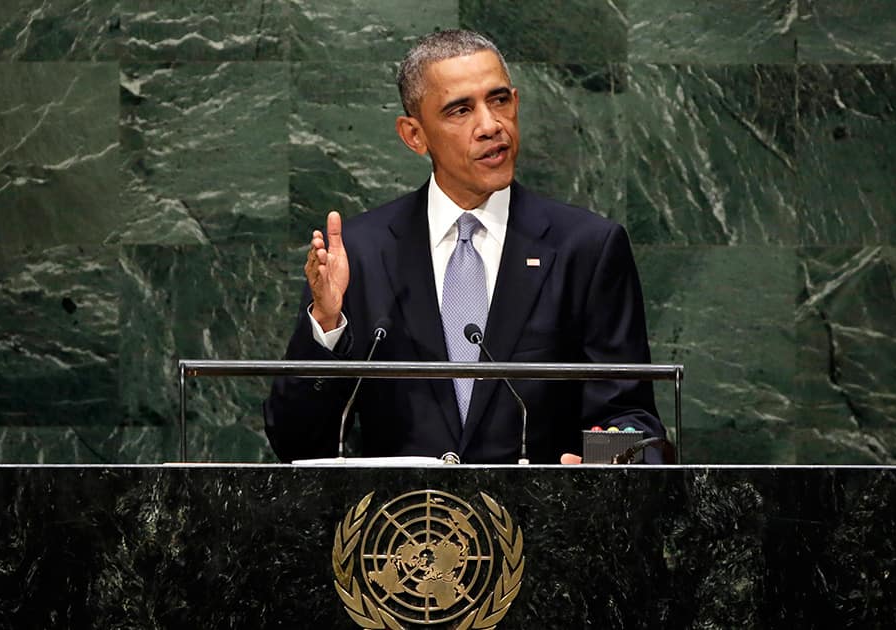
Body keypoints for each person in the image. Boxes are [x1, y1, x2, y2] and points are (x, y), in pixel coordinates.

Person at [264, 29, 665, 464]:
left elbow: (631, 417)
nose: (491, 125)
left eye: (500, 101)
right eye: (460, 110)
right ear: (414, 135)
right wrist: (325, 323)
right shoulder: (360, 254)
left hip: (542, 525)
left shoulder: (586, 248)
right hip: (401, 527)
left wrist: (607, 466)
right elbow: (295, 444)